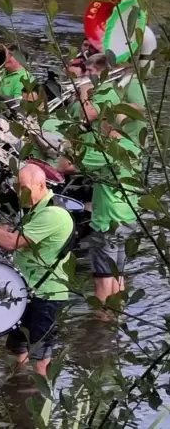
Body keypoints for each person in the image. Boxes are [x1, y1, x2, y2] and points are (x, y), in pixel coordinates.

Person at [0, 164, 73, 375]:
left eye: (24, 187)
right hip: (28, 290)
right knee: (16, 348)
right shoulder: (37, 209)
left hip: (47, 294)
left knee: (40, 356)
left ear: (41, 185)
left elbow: (12, 242)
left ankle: (41, 401)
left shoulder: (53, 214)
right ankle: (17, 393)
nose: (20, 193)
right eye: (18, 187)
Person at [58, 120, 140, 303]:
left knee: (102, 280)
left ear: (107, 126)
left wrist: (67, 142)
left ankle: (102, 324)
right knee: (117, 274)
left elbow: (65, 167)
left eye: (99, 125)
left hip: (107, 221)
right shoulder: (132, 146)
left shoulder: (108, 152)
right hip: (128, 217)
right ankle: (117, 319)